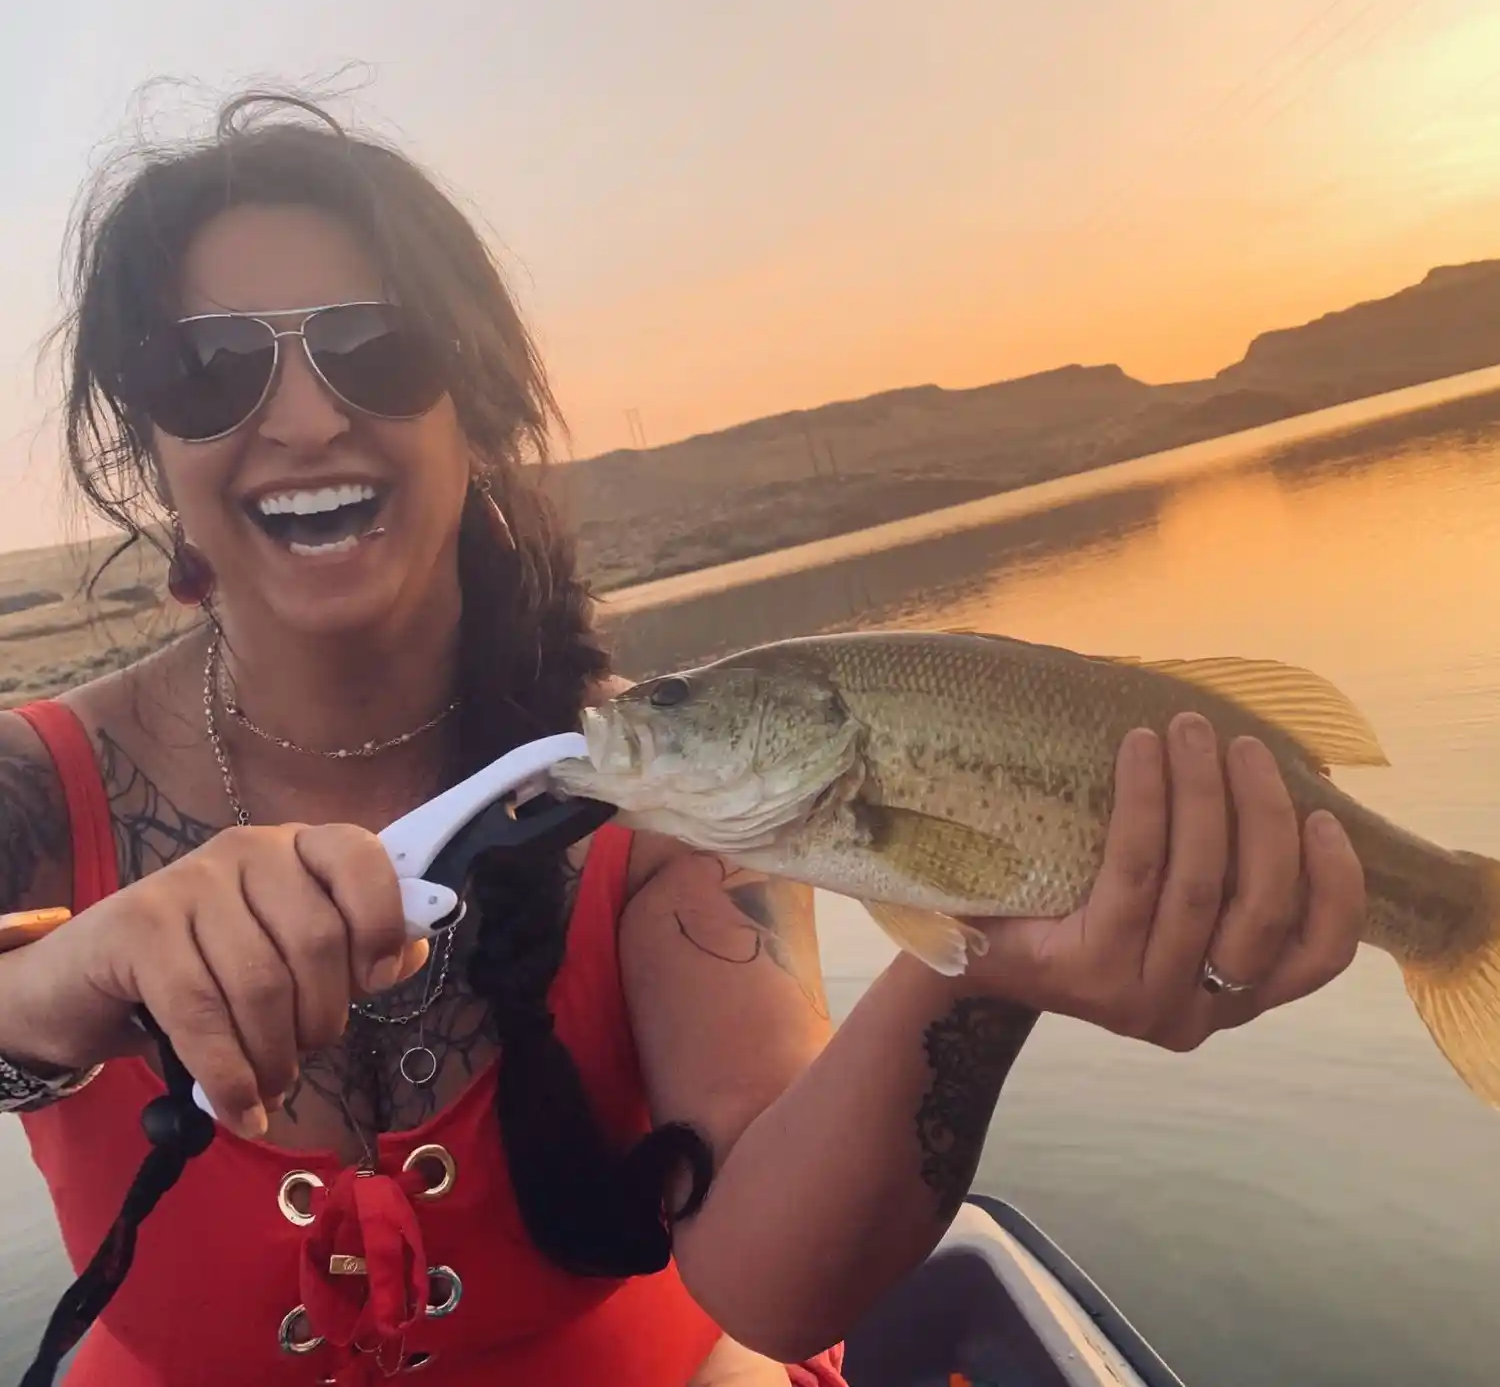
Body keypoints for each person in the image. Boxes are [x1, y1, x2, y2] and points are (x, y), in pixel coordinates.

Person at [0, 90, 1367, 1387]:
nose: (301, 420)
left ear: (472, 407)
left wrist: (989, 962)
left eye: (376, 347)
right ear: (146, 444)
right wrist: (56, 988)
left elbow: (774, 1280)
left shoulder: (682, 771)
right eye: (207, 369)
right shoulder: (36, 785)